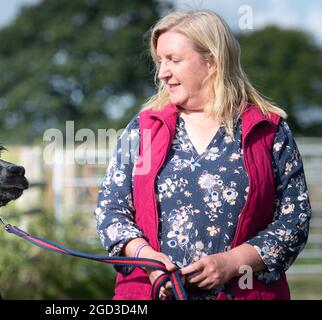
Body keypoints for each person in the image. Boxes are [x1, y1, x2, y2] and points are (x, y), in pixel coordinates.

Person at [94, 9, 311, 300]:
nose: (162, 73)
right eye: (160, 61)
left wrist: (233, 263)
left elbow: (294, 219)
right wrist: (146, 257)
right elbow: (111, 210)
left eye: (173, 60)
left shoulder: (268, 131)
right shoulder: (143, 129)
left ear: (212, 61)